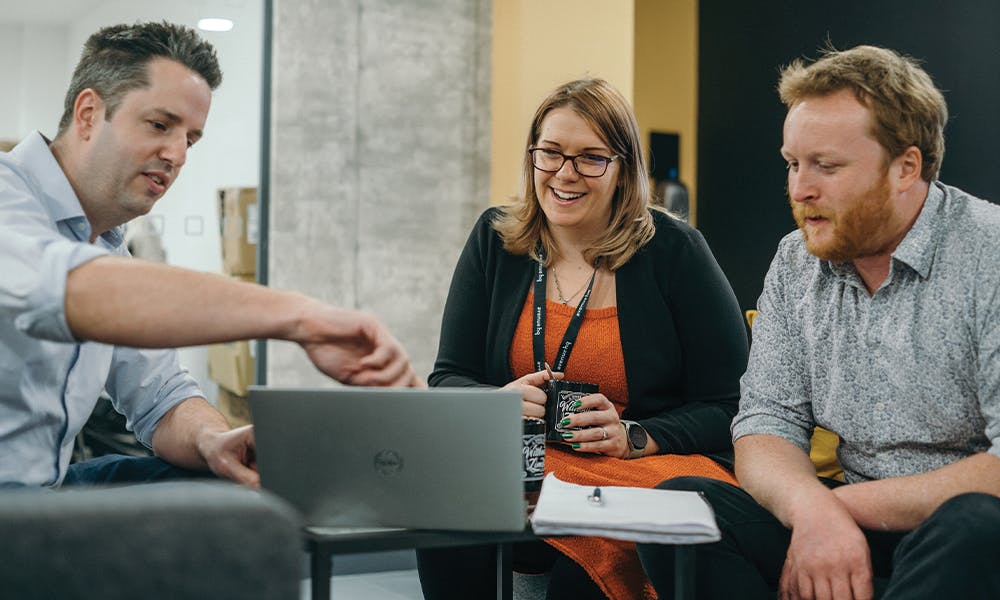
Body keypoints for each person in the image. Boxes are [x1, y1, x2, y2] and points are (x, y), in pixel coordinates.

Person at [636, 45, 1000, 599]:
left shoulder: (989, 253)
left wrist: (829, 510)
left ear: (906, 167)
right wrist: (811, 510)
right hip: (843, 525)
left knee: (976, 525)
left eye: (826, 166)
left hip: (958, 535)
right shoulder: (795, 260)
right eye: (792, 163)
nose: (800, 188)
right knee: (678, 505)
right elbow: (764, 424)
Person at [0, 22, 421, 489]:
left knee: (230, 484)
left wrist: (213, 440)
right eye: (160, 125)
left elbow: (161, 395)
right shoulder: (9, 198)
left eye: (191, 139)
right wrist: (301, 316)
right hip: (16, 505)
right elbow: (71, 290)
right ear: (88, 113)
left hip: (44, 495)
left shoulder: (108, 245)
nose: (177, 154)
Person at [416, 78, 748, 599]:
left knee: (590, 561)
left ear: (623, 170)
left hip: (648, 466)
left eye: (591, 158)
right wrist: (495, 404)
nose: (565, 175)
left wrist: (635, 435)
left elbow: (732, 404)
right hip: (533, 461)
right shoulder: (495, 239)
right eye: (551, 153)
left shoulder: (675, 251)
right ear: (532, 157)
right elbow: (447, 377)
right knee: (446, 509)